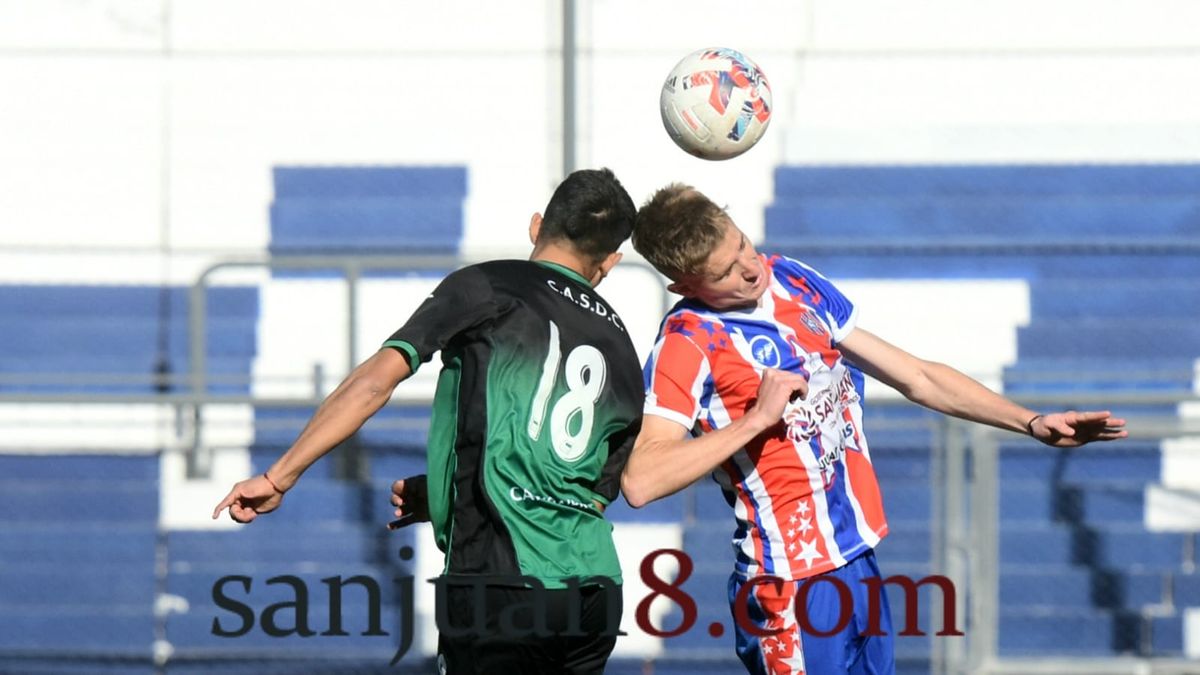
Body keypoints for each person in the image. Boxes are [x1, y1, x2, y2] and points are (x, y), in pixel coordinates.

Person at [620, 183, 1128, 675]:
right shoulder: (687, 343)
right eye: (726, 271)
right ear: (685, 287)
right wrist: (756, 420)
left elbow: (917, 376)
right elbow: (641, 480)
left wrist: (1031, 422)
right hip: (789, 583)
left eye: (743, 245)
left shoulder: (791, 279)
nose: (751, 268)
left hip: (857, 560)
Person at [212, 168, 644, 675]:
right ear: (610, 261)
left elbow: (374, 383)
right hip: (595, 591)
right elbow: (585, 487)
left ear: (536, 226)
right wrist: (448, 489)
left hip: (502, 581)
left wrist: (278, 476)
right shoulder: (622, 346)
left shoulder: (490, 286)